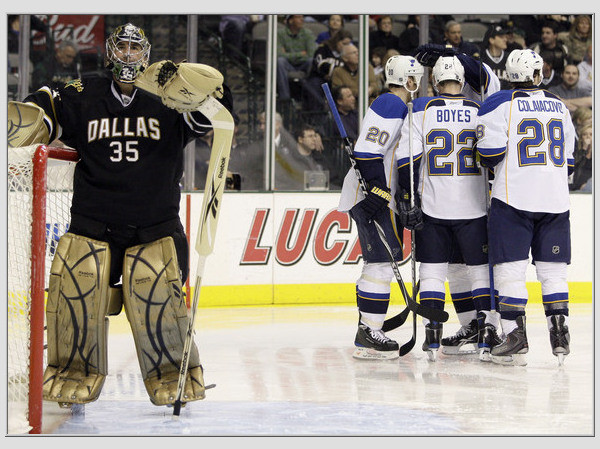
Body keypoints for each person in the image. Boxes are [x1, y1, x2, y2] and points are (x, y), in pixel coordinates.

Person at [13, 23, 234, 406]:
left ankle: (171, 372)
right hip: (93, 222)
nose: (129, 55)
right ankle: (71, 369)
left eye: (136, 48)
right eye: (123, 47)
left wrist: (199, 85)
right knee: (75, 290)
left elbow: (216, 108)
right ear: (110, 51)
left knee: (158, 298)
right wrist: (31, 116)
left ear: (145, 53)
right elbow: (46, 105)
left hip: (155, 226)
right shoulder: (84, 92)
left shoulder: (168, 97)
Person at [395, 55, 500, 361]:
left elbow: (407, 162)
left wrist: (407, 199)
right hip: (475, 209)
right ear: (463, 82)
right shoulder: (481, 110)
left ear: (434, 81)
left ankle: (432, 336)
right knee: (480, 274)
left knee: (432, 273)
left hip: (433, 207)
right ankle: (485, 334)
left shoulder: (419, 109)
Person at [476, 49, 575, 366]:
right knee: (553, 272)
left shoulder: (499, 103)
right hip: (556, 201)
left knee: (510, 272)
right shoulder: (560, 105)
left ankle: (515, 336)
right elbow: (570, 163)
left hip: (513, 199)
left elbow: (489, 154)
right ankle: (559, 332)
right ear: (537, 75)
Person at [337, 55, 424, 360]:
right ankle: (369, 332)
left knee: (382, 261)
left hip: (378, 194)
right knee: (380, 263)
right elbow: (366, 151)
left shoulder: (396, 105)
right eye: (417, 79)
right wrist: (378, 192)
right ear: (409, 81)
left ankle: (368, 328)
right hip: (372, 195)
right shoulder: (391, 104)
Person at [303, 29, 353, 111]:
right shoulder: (323, 48)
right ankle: (317, 114)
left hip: (338, 79)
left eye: (348, 44)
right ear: (337, 41)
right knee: (314, 84)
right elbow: (319, 65)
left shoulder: (349, 53)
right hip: (320, 78)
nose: (346, 47)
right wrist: (333, 71)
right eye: (344, 44)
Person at [275, 123, 327, 190]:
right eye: (310, 136)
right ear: (300, 139)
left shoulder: (320, 159)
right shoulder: (288, 159)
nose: (314, 139)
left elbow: (333, 181)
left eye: (315, 136)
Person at [277, 15, 316, 101]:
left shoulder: (308, 33)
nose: (302, 20)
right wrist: (301, 54)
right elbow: (279, 54)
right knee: (280, 61)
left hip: (303, 65)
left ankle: (310, 96)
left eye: (302, 17)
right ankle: (285, 98)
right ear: (290, 21)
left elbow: (311, 54)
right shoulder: (280, 34)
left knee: (311, 61)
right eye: (298, 17)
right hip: (288, 65)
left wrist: (288, 54)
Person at [569, 124, 592, 192]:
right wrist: (584, 149)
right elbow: (575, 167)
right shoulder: (577, 153)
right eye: (585, 135)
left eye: (591, 134)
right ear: (581, 138)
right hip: (576, 188)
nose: (588, 137)